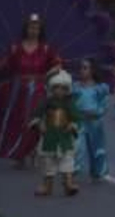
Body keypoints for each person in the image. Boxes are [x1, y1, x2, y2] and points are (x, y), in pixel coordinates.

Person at [0, 13, 61, 161]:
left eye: (36, 28)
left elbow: (57, 65)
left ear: (41, 30)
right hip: (17, 90)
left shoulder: (46, 49)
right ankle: (20, 150)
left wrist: (46, 75)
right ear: (26, 29)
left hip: (37, 89)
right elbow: (5, 66)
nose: (33, 31)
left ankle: (29, 148)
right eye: (31, 27)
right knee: (17, 119)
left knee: (32, 119)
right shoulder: (15, 48)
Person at [32, 68, 80, 198]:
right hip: (50, 136)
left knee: (67, 161)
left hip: (64, 136)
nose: (60, 90)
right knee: (48, 162)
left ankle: (68, 184)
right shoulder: (46, 102)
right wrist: (39, 124)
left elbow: (76, 117)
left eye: (63, 88)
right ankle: (47, 186)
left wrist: (72, 125)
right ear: (52, 88)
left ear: (67, 89)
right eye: (57, 87)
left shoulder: (69, 103)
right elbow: (36, 114)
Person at [71, 60, 109, 182]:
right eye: (81, 68)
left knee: (96, 149)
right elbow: (70, 103)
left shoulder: (100, 88)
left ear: (92, 70)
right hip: (80, 121)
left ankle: (97, 172)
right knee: (77, 147)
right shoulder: (75, 87)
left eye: (85, 68)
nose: (82, 70)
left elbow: (104, 104)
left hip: (94, 122)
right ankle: (73, 171)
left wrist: (97, 112)